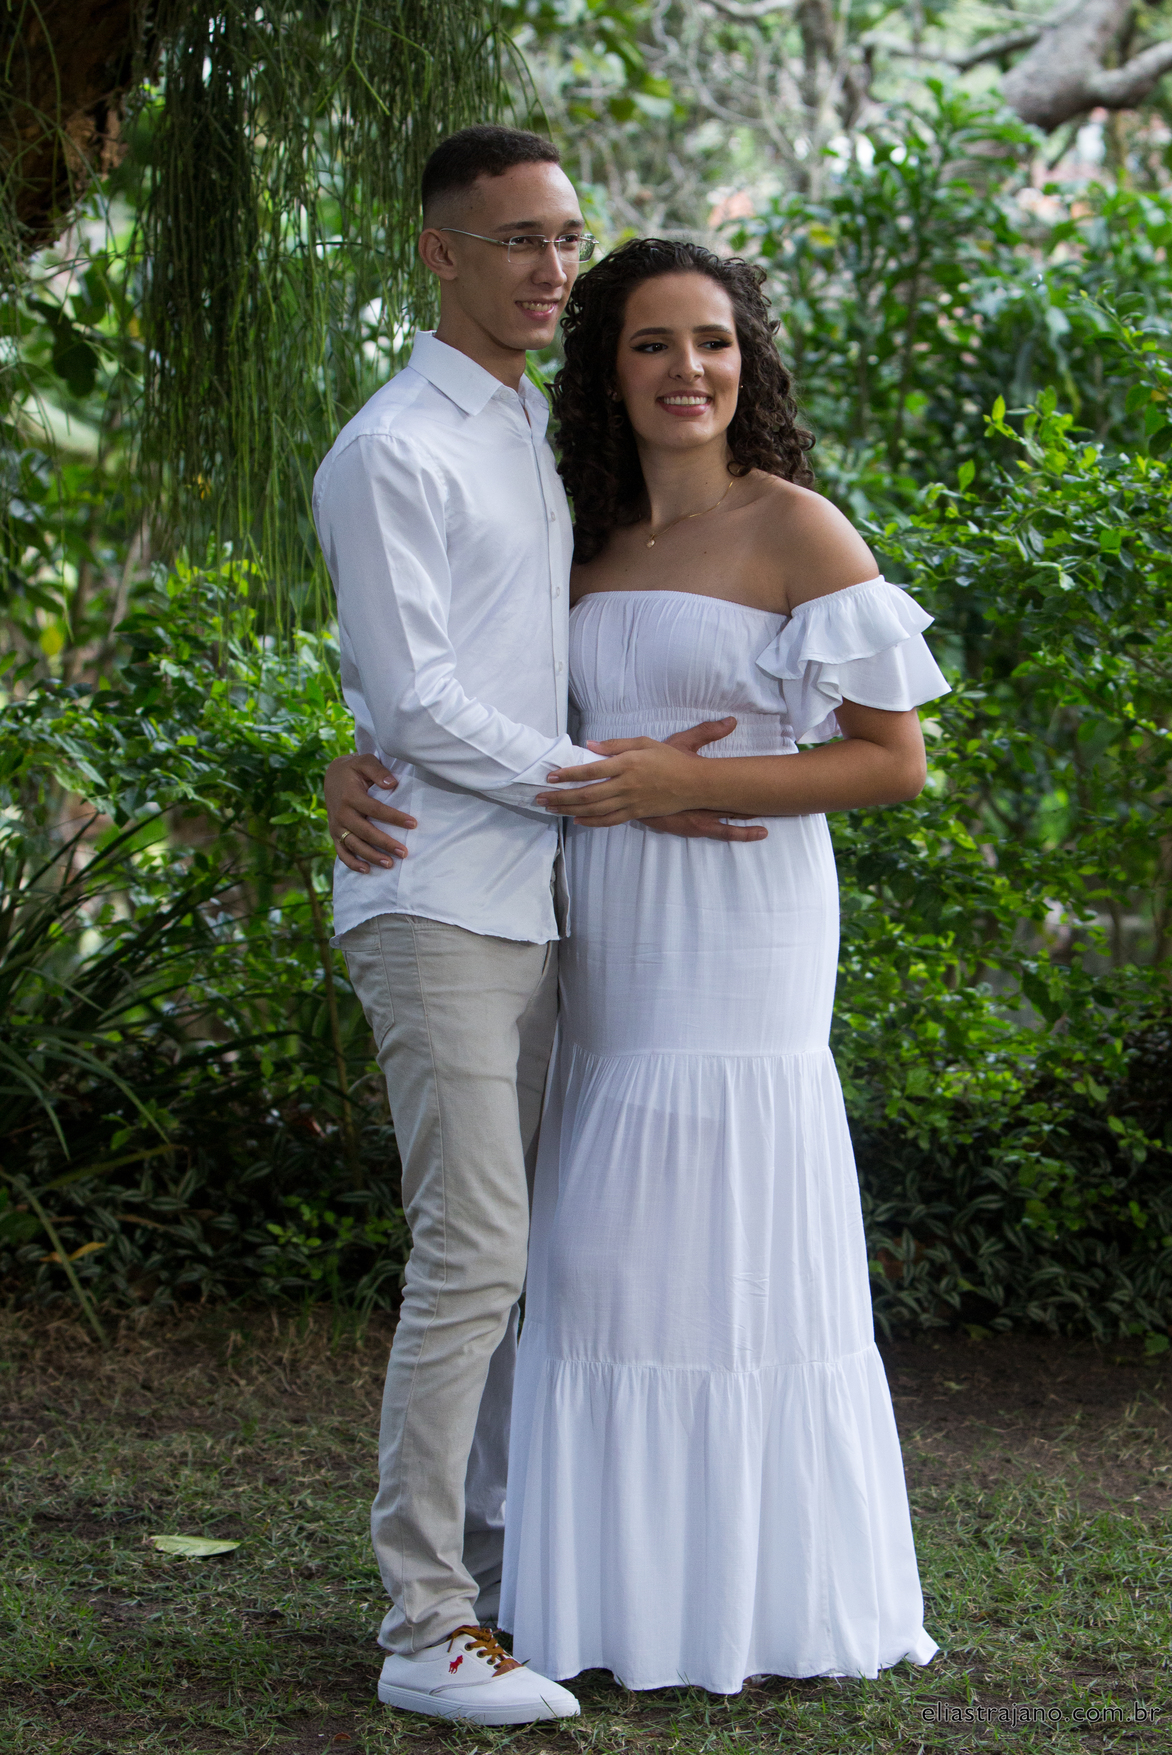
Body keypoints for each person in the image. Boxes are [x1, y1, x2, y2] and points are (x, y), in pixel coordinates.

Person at [333, 237, 948, 1693]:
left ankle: (757, 1596)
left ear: (750, 362)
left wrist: (687, 785)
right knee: (599, 1249)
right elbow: (449, 697)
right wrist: (351, 765)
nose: (690, 370)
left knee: (734, 1234)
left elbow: (893, 762)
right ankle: (596, 1593)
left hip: (746, 926)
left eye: (714, 341)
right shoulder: (577, 535)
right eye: (654, 344)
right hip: (598, 919)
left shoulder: (798, 529)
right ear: (606, 372)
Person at [312, 128, 758, 1728]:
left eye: (567, 238)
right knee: (474, 1254)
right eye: (516, 241)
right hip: (435, 892)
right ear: (441, 252)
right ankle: (425, 1623)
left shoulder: (530, 430)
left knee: (529, 1259)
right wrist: (612, 783)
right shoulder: (392, 447)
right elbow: (418, 700)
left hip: (545, 897)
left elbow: (493, 664)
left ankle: (502, 1572)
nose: (551, 268)